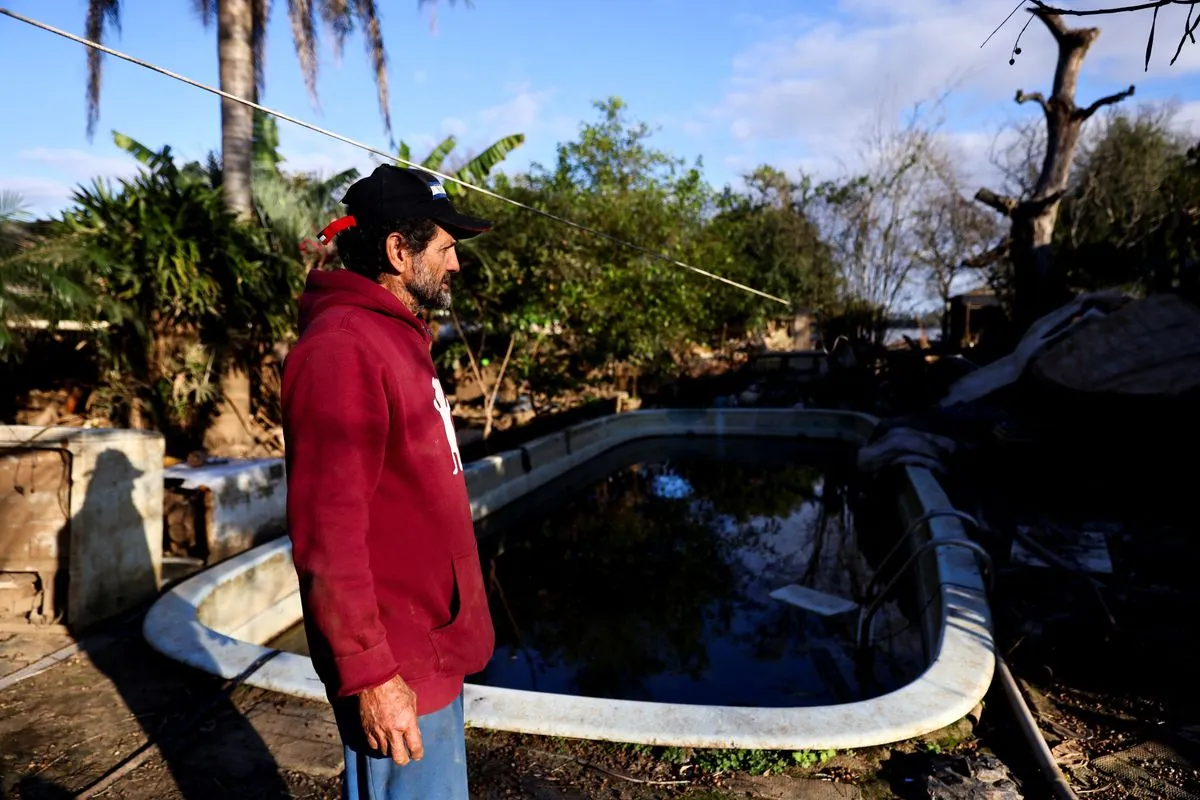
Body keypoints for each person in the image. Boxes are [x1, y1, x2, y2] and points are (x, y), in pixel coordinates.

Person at [281, 164, 496, 799]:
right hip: (397, 665)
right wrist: (372, 676)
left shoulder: (397, 338)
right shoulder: (342, 349)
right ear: (399, 251)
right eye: (446, 247)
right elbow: (328, 535)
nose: (456, 264)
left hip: (431, 647)